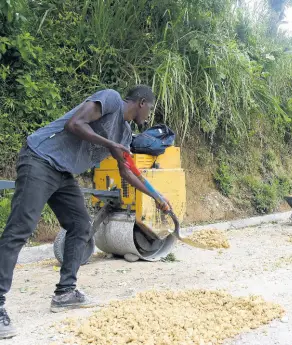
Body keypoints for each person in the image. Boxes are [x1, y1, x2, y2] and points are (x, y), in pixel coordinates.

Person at [0, 86, 171, 339]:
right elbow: (75, 124)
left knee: (81, 226)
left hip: (62, 172)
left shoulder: (124, 132)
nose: (149, 115)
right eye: (150, 109)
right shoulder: (111, 99)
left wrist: (156, 196)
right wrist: (109, 143)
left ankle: (65, 293)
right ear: (142, 102)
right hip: (40, 159)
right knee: (20, 230)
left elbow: (127, 171)